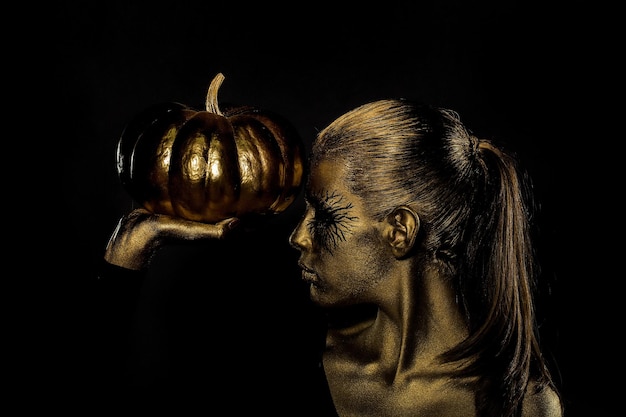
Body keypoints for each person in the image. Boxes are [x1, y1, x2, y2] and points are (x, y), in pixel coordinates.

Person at [102, 99, 564, 417]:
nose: (298, 237)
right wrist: (131, 249)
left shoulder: (521, 405)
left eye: (324, 215)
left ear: (400, 231)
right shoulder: (278, 358)